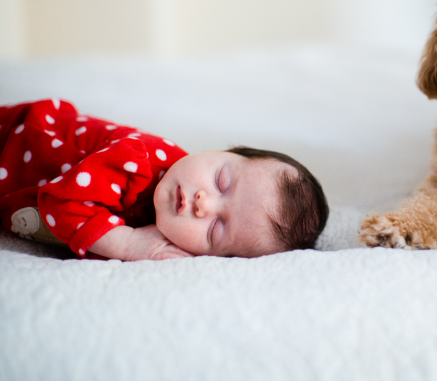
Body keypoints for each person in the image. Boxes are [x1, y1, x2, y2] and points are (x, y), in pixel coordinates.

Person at [0, 99, 328, 261]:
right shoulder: (137, 161)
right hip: (11, 138)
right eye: (222, 181)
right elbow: (60, 204)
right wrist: (127, 244)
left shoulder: (162, 225)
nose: (204, 203)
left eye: (216, 229)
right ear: (222, 150)